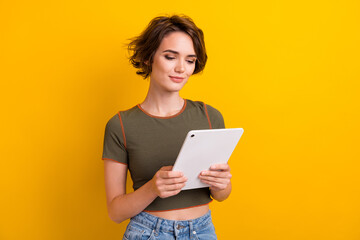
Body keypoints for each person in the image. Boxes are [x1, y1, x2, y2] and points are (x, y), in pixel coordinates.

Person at [102, 14, 232, 240]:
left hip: (202, 231)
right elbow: (115, 212)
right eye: (170, 57)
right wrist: (153, 188)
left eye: (190, 60)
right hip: (147, 232)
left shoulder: (210, 117)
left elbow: (221, 195)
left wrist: (222, 185)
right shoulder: (120, 125)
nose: (181, 68)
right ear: (148, 58)